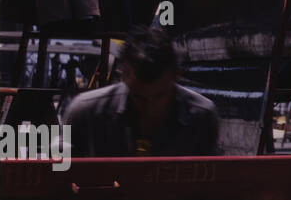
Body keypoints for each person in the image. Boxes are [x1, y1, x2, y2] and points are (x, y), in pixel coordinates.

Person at [64, 27, 221, 157]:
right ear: (122, 76)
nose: (149, 108)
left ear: (176, 75)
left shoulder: (202, 117)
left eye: (159, 96)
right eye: (138, 97)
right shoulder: (85, 113)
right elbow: (60, 175)